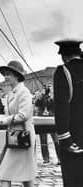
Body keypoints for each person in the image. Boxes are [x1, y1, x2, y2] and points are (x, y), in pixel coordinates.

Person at [0, 60, 37, 187]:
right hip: (15, 136)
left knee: (6, 172)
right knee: (26, 175)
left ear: (16, 75)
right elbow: (10, 112)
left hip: (23, 136)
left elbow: (24, 115)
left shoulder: (24, 92)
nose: (5, 77)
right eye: (5, 74)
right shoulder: (12, 93)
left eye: (8, 74)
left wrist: (5, 120)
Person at [54, 39, 83, 187]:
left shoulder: (63, 72)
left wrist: (65, 138)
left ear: (63, 55)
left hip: (74, 137)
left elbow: (61, 108)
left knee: (74, 179)